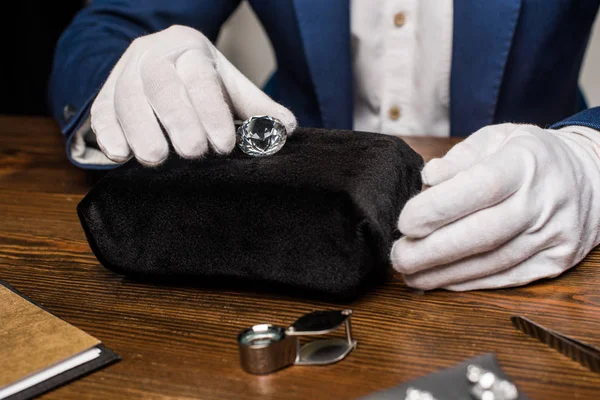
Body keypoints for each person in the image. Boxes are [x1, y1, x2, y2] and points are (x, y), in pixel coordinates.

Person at [49, 0, 600, 291]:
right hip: (277, 224)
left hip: (530, 218)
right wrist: (128, 83)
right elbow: (112, 24)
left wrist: (589, 156)